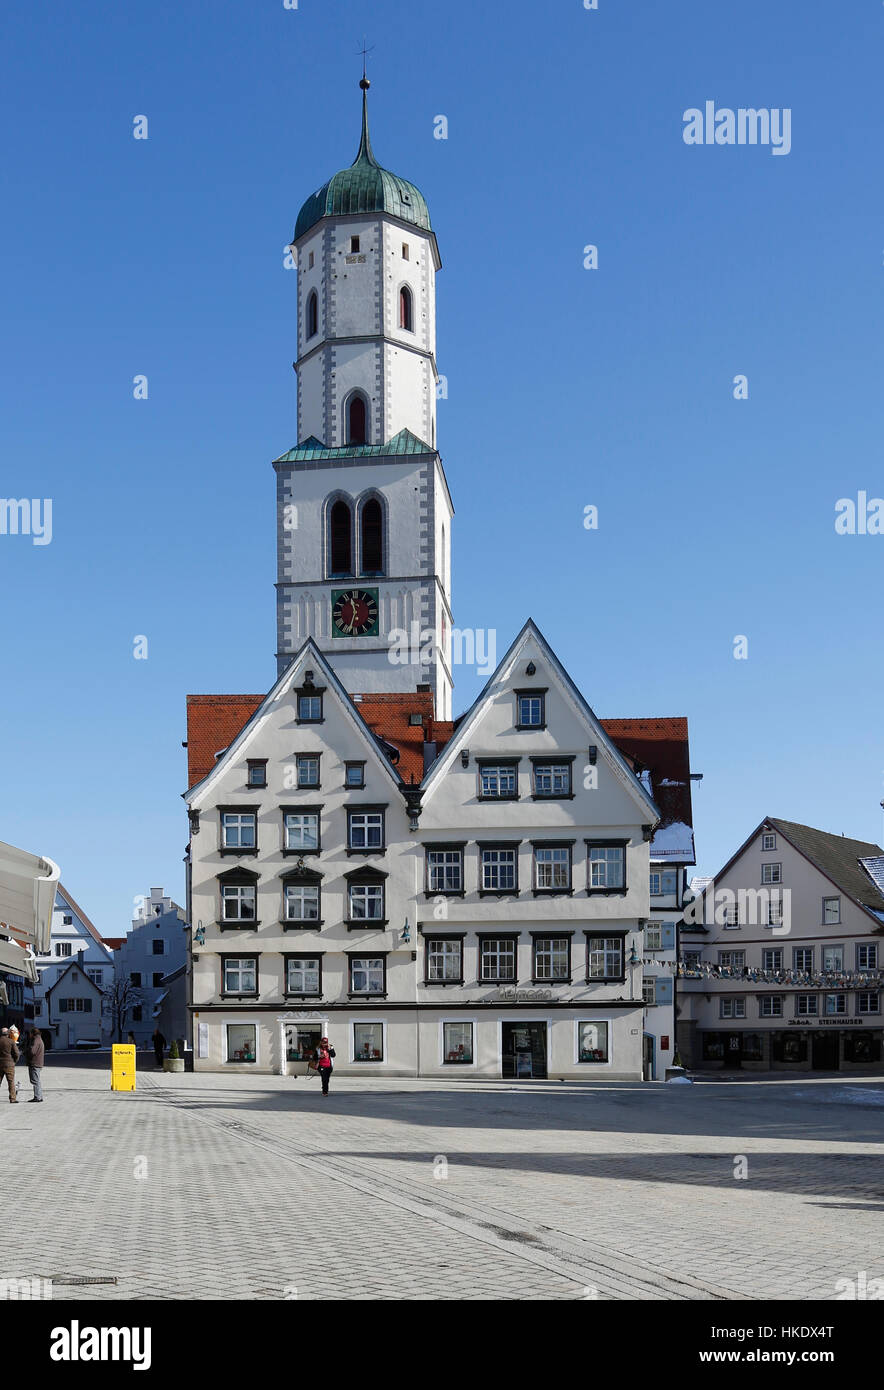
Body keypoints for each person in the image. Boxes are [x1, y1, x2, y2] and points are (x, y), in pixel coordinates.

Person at [0, 1026, 20, 1103]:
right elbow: (17, 1053)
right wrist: (14, 1062)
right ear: (7, 1034)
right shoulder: (11, 1041)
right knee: (11, 1082)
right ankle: (12, 1098)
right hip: (9, 1064)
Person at [26, 1027, 44, 1102]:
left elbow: (32, 1051)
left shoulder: (36, 1040)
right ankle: (39, 1096)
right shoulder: (39, 1039)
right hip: (38, 1063)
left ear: (32, 1033)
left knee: (35, 1081)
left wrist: (27, 1050)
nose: (29, 1035)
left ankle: (37, 1097)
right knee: (37, 1080)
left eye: (30, 1033)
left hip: (34, 1063)